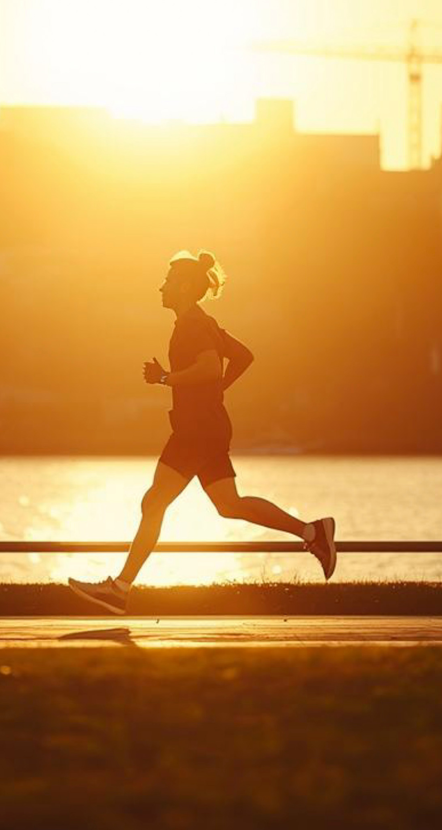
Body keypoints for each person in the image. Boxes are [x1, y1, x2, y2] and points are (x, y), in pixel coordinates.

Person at [69, 251, 336, 616]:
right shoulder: (204, 322)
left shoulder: (193, 325)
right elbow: (243, 356)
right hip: (206, 426)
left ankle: (119, 589)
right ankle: (313, 532)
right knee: (229, 505)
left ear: (181, 286)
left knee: (154, 502)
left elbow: (209, 367)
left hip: (196, 430)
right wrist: (218, 390)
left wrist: (168, 378)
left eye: (166, 281)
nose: (160, 287)